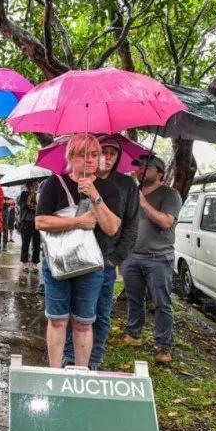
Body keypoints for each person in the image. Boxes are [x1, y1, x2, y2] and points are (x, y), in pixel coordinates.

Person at [35, 133, 123, 368]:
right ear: (71, 158)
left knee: (84, 322)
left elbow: (112, 228)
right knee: (57, 320)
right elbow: (41, 222)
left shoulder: (108, 189)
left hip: (91, 265)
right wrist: (77, 222)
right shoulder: (54, 184)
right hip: (58, 262)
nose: (91, 160)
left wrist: (95, 196)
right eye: (83, 155)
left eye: (95, 154)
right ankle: (54, 372)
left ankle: (81, 374)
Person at [62, 135, 139, 370]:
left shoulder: (125, 185)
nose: (105, 157)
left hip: (104, 259)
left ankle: (93, 360)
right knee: (71, 313)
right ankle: (70, 358)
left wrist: (114, 258)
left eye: (111, 153)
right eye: (99, 152)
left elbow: (130, 226)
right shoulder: (76, 181)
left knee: (100, 314)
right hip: (75, 257)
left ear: (117, 158)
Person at [121, 155, 182, 363]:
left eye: (147, 167)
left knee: (161, 303)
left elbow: (165, 222)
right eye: (139, 166)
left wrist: (143, 203)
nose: (141, 169)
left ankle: (164, 346)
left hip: (159, 259)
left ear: (160, 173)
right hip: (132, 257)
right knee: (134, 298)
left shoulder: (170, 194)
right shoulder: (133, 192)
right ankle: (133, 334)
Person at [18, 181, 41, 273]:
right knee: (25, 243)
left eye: (36, 184)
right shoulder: (23, 194)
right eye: (33, 184)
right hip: (26, 222)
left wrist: (36, 195)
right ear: (29, 185)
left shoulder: (39, 195)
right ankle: (25, 263)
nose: (36, 186)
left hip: (37, 222)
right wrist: (31, 194)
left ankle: (35, 263)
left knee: (37, 244)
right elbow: (25, 206)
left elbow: (40, 207)